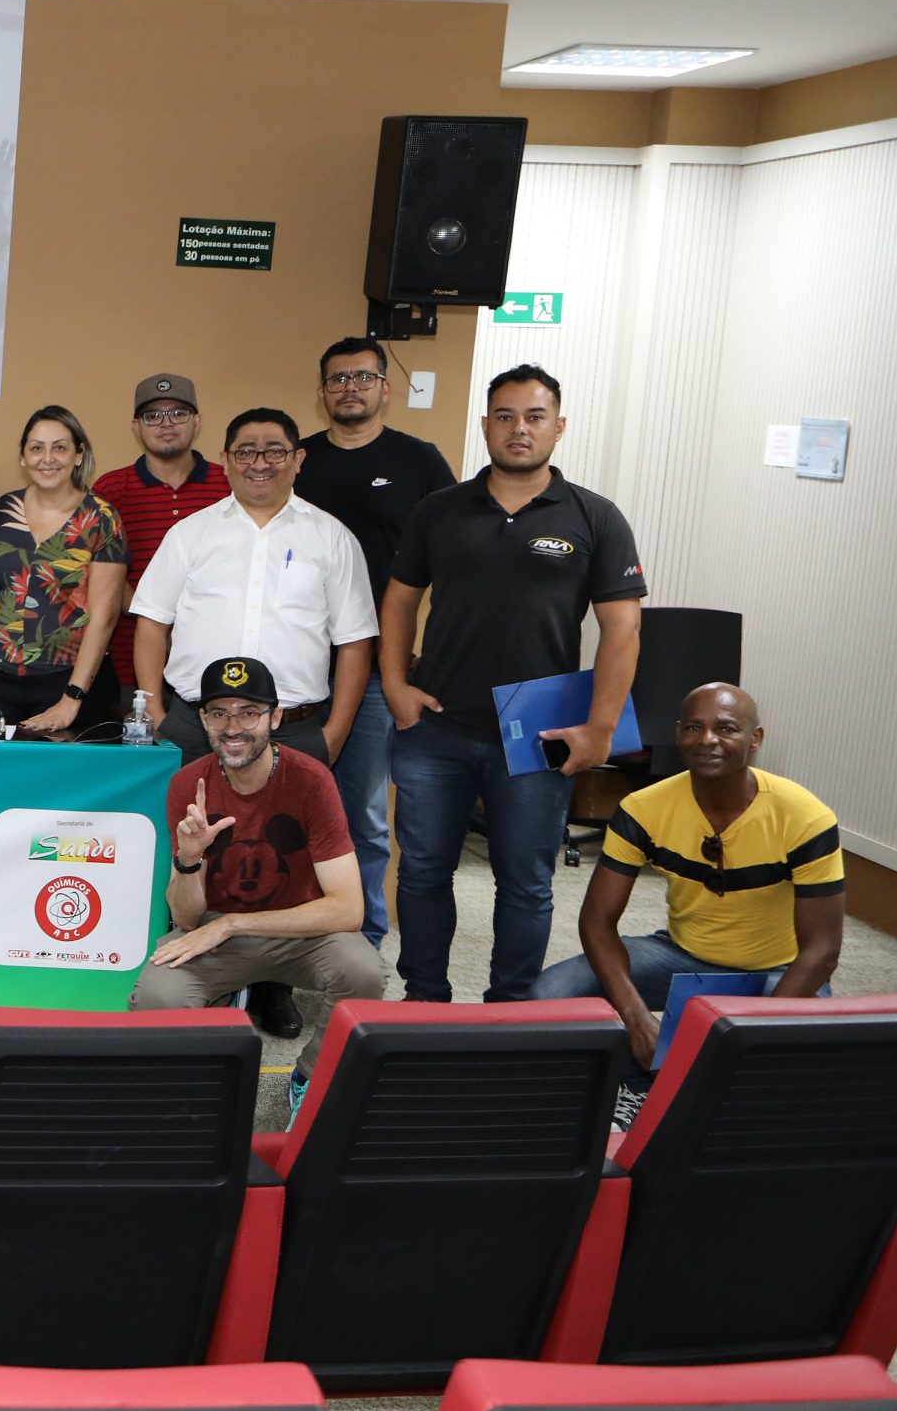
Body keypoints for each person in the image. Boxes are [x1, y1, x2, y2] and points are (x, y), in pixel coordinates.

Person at [384, 364, 646, 1002]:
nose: (519, 429)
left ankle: (510, 1008)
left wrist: (601, 729)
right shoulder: (439, 510)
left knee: (526, 882)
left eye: (534, 417)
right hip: (436, 728)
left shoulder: (595, 517)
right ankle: (424, 999)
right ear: (485, 426)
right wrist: (396, 685)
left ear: (558, 427)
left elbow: (622, 629)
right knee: (421, 874)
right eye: (504, 416)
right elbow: (397, 603)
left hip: (539, 735)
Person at [535, 684, 841, 1121]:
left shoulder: (805, 817)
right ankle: (642, 1089)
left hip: (779, 969)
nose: (707, 739)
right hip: (681, 954)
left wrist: (748, 1032)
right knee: (549, 996)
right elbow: (598, 921)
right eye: (694, 727)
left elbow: (822, 951)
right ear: (678, 734)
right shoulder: (643, 808)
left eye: (727, 728)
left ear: (755, 739)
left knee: (794, 1064)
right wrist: (637, 1020)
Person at [130, 656, 387, 1118]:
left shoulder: (311, 779)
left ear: (276, 717)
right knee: (155, 997)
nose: (234, 727)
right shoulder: (189, 783)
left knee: (363, 972)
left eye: (249, 712)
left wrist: (232, 923)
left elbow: (348, 910)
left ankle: (312, 1077)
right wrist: (189, 860)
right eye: (219, 713)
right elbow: (188, 919)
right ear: (203, 720)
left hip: (299, 929)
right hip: (214, 927)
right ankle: (186, 1090)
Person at [292, 336, 458, 956]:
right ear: (322, 390)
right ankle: (291, 937)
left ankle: (361, 937)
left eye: (362, 377)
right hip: (297, 665)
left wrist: (414, 663)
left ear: (386, 388)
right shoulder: (299, 459)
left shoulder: (420, 462)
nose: (349, 388)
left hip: (376, 665)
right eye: (337, 379)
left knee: (361, 812)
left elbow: (453, 564)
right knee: (287, 810)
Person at [130, 408, 376, 768]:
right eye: (245, 452)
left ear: (298, 459)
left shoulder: (333, 538)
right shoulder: (189, 534)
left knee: (287, 827)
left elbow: (355, 641)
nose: (260, 463)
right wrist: (155, 714)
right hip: (192, 730)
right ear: (226, 461)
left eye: (275, 451)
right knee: (185, 825)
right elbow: (152, 623)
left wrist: (334, 733)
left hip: (294, 732)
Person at [0, 405, 126, 734]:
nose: (47, 458)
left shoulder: (101, 518)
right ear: (23, 457)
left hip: (68, 681)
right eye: (37, 448)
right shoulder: (4, 509)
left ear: (78, 455)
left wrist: (71, 698)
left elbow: (104, 616)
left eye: (59, 447)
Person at [92, 373, 229, 702]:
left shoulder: (227, 485)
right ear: (136, 426)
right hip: (129, 671)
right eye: (153, 415)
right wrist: (154, 621)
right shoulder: (110, 491)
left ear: (196, 422)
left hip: (215, 670)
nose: (166, 423)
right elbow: (102, 578)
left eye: (178, 413)